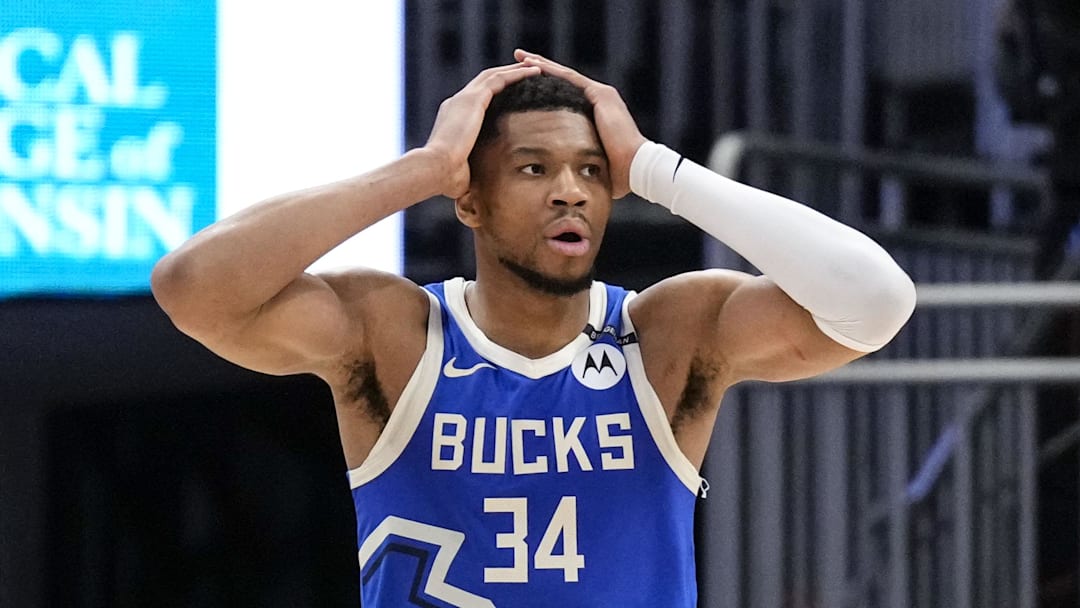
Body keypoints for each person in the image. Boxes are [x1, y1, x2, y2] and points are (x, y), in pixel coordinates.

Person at [151, 50, 916, 607]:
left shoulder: (665, 338)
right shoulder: (397, 338)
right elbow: (193, 288)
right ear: (470, 201)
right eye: (532, 169)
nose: (569, 193)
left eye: (590, 170)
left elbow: (876, 302)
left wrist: (654, 168)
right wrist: (421, 169)